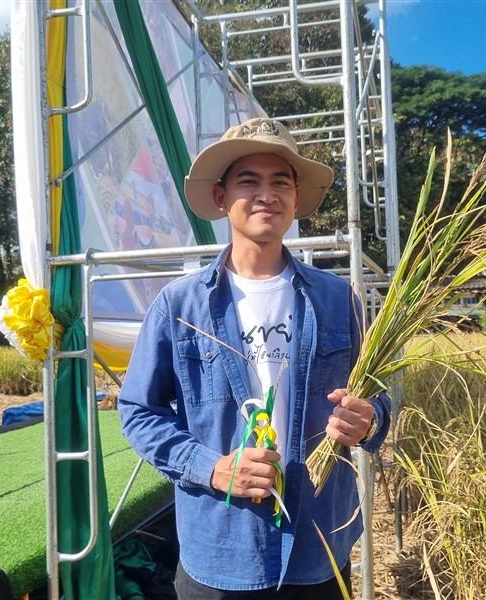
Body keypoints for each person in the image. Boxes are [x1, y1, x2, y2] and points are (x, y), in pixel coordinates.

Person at [118, 117, 390, 598]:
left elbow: (379, 395)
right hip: (221, 549)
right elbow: (139, 411)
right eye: (249, 181)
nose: (267, 194)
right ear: (221, 198)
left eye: (280, 182)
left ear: (296, 199)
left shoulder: (336, 299)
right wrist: (211, 468)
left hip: (318, 547)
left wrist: (370, 420)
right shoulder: (179, 306)